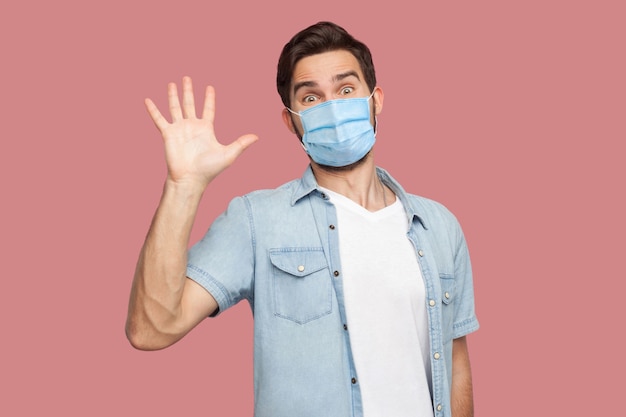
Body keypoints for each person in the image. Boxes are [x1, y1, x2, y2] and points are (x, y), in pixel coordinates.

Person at [126, 21, 479, 417]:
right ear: (290, 120)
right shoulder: (257, 221)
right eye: (311, 98)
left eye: (346, 90)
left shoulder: (440, 226)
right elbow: (151, 329)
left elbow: (454, 362)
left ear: (375, 100)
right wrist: (183, 186)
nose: (331, 106)